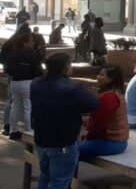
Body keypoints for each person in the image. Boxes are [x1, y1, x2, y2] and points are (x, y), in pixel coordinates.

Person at [31, 53, 99, 189]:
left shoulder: (36, 83)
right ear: (65, 67)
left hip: (42, 138)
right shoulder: (72, 87)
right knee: (59, 181)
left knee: (46, 175)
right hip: (63, 141)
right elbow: (93, 104)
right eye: (70, 64)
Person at [1, 26, 44, 139]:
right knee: (27, 106)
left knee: (15, 106)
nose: (33, 43)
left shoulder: (13, 51)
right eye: (31, 41)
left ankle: (12, 130)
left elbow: (7, 67)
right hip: (28, 82)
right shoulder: (31, 53)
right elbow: (37, 69)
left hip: (14, 81)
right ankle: (29, 131)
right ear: (25, 42)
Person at [80, 64, 129, 161]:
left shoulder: (109, 97)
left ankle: (68, 177)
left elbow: (99, 124)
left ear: (111, 79)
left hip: (112, 141)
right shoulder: (113, 93)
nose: (97, 77)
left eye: (102, 75)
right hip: (115, 140)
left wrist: (87, 135)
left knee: (73, 152)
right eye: (98, 74)